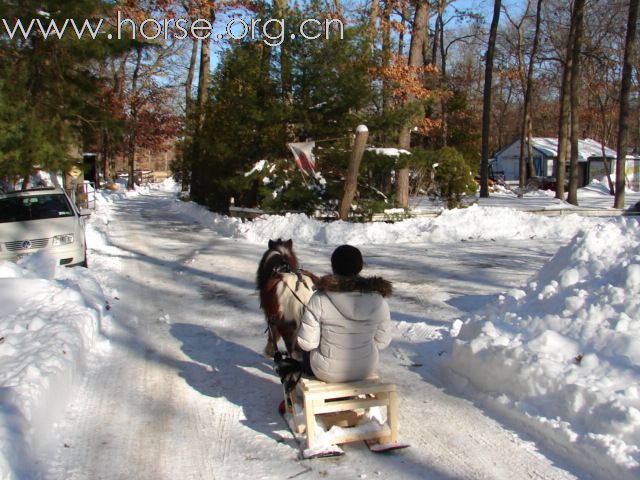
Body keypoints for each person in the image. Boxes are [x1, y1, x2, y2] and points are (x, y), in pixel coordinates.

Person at [297, 245, 392, 383]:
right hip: (366, 368)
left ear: (333, 266)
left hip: (326, 371)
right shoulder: (378, 299)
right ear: (359, 267)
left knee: (305, 347)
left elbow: (307, 344)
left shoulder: (320, 298)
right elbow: (382, 342)